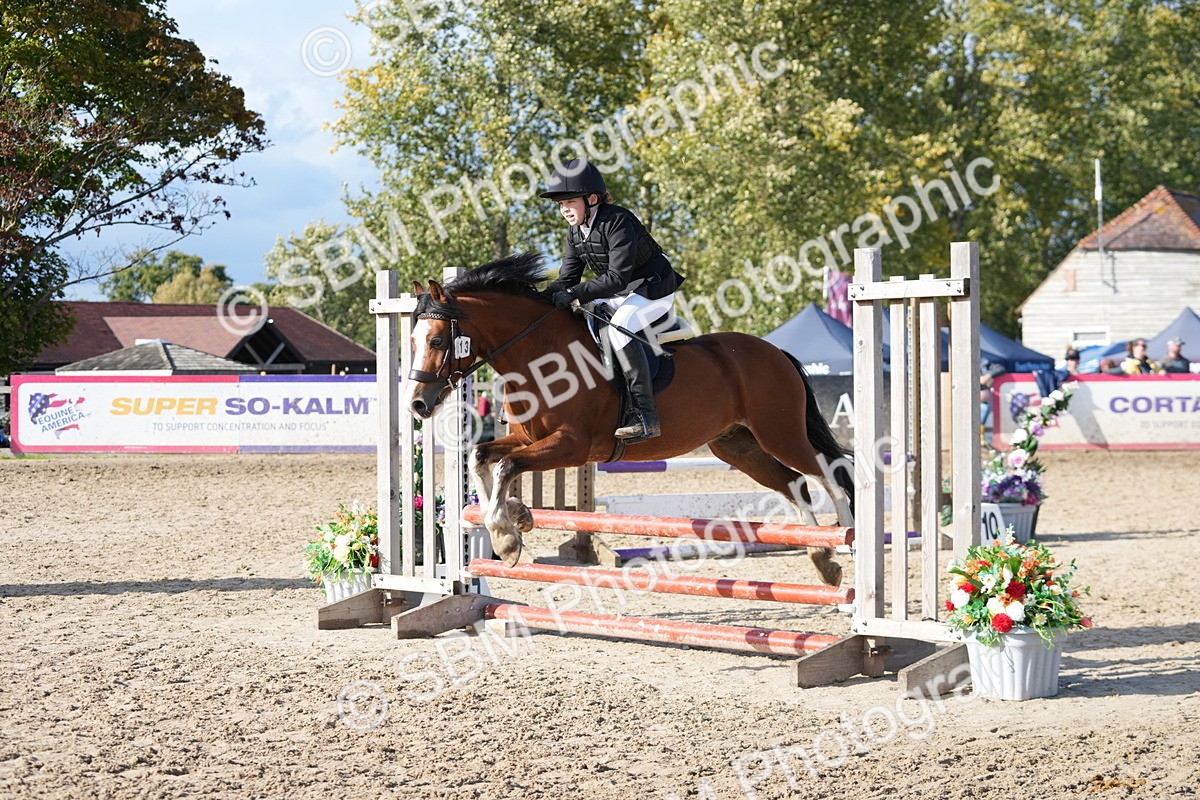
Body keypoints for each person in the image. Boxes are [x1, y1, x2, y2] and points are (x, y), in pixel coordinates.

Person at [540, 158, 685, 443]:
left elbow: (617, 278)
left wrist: (573, 294)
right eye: (560, 205)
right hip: (622, 291)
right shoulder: (575, 232)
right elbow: (567, 280)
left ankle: (645, 416)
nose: (564, 210)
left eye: (569, 202)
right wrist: (538, 297)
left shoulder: (618, 221)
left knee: (619, 329)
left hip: (653, 288)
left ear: (592, 199)